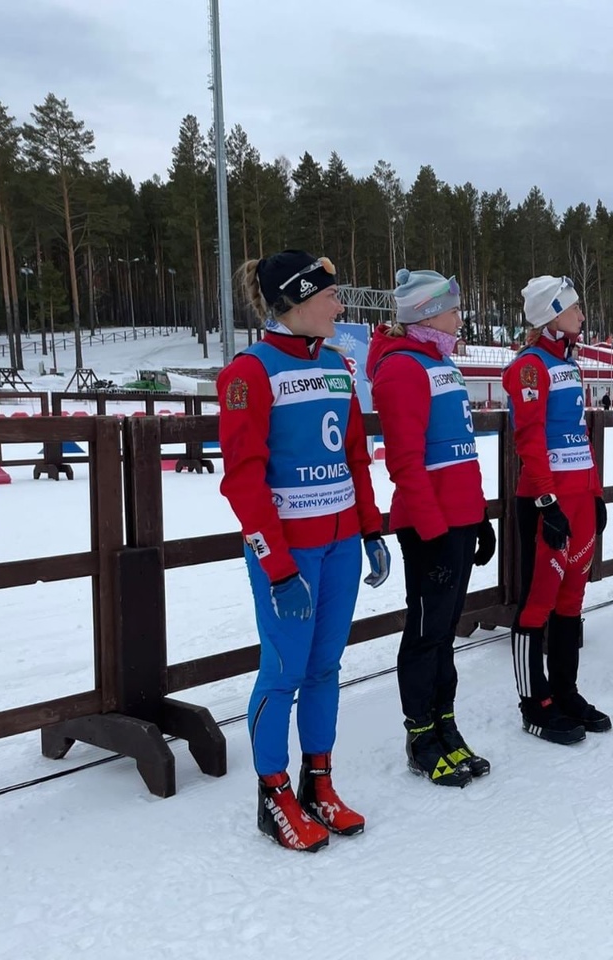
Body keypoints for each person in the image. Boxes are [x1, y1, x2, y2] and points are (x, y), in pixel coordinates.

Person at [217, 250, 390, 852]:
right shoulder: (249, 373)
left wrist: (370, 530)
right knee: (283, 670)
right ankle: (273, 793)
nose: (339, 306)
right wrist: (278, 567)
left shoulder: (339, 365)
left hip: (341, 546)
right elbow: (243, 480)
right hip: (290, 554)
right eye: (329, 295)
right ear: (294, 301)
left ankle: (320, 782)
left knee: (325, 668)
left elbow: (355, 456)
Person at [367, 269, 497, 789]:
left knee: (444, 632)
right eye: (454, 311)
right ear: (427, 313)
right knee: (425, 633)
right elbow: (405, 462)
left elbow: (462, 452)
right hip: (430, 528)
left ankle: (445, 723)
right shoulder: (401, 368)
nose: (460, 320)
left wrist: (478, 516)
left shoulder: (440, 362)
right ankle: (420, 734)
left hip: (458, 519)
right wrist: (433, 531)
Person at [502, 275, 609, 744]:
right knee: (538, 601)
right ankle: (534, 702)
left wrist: (595, 494)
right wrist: (547, 500)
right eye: (574, 308)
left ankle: (565, 690)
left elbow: (579, 435)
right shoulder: (530, 366)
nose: (581, 315)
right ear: (552, 314)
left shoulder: (570, 363)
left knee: (571, 599)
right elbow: (529, 438)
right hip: (547, 500)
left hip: (579, 497)